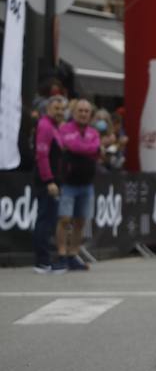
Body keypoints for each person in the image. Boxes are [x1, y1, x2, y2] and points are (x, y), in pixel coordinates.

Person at [55, 99, 100, 272]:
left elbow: (94, 147)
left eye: (86, 111)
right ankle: (61, 253)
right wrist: (86, 148)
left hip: (87, 184)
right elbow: (72, 145)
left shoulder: (93, 132)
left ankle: (73, 254)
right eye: (80, 110)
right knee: (65, 219)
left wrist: (83, 147)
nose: (83, 114)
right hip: (68, 183)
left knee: (80, 221)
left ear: (90, 114)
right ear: (74, 113)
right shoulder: (65, 129)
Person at [31, 96, 67, 273]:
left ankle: (45, 259)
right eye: (56, 108)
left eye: (62, 109)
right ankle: (42, 261)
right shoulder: (45, 126)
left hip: (53, 180)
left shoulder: (53, 127)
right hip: (47, 181)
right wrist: (49, 180)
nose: (60, 112)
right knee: (45, 220)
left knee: (49, 220)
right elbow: (42, 155)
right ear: (47, 110)